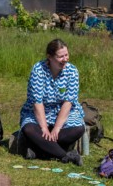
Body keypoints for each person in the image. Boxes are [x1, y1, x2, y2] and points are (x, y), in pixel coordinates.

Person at [19, 38, 85, 166]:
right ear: (49, 57)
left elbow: (68, 102)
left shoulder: (72, 71)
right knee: (29, 129)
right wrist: (44, 127)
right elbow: (37, 102)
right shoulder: (38, 70)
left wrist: (57, 127)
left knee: (78, 129)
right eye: (61, 56)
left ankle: (38, 150)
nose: (65, 59)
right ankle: (66, 156)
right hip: (39, 110)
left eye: (66, 55)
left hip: (64, 111)